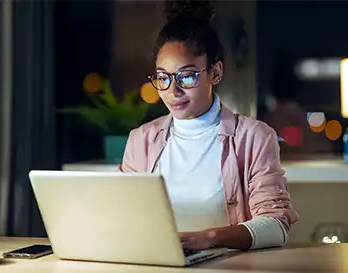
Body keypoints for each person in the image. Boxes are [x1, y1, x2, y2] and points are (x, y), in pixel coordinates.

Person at [120, 0, 299, 251]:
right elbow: (123, 216)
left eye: (187, 76)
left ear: (214, 73)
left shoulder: (253, 137)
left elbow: (277, 224)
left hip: (227, 264)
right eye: (163, 77)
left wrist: (209, 238)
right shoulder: (142, 140)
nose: (173, 91)